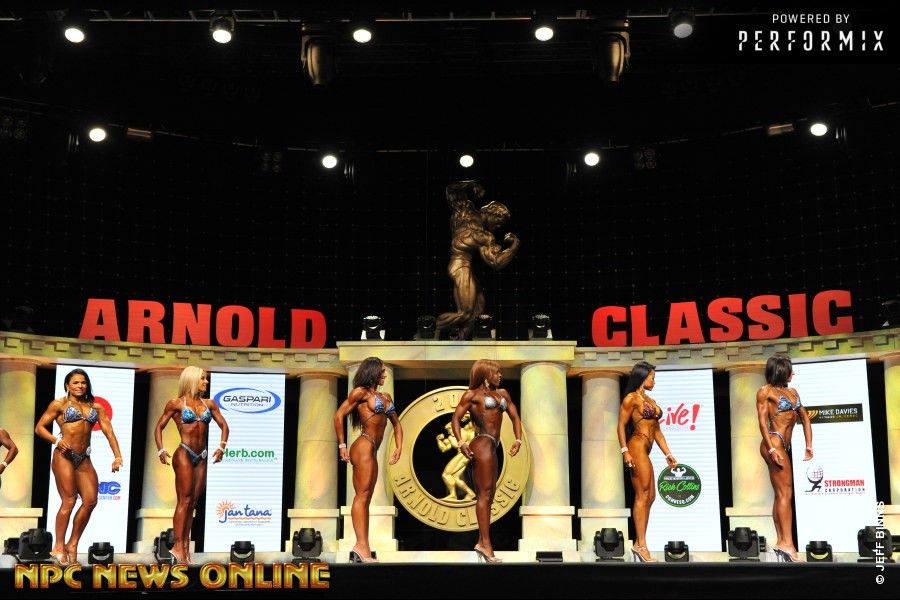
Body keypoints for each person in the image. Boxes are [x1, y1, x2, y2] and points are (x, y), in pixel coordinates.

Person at [35, 368, 123, 565]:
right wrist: (56, 441)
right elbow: (39, 428)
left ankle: (72, 543)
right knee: (69, 501)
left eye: (83, 382)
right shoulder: (59, 404)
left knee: (91, 501)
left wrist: (117, 456)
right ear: (67, 385)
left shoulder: (96, 407)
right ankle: (58, 546)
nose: (80, 386)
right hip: (64, 456)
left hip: (84, 458)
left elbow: (109, 432)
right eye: (75, 382)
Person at [154, 366, 229, 565]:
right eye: (202, 379)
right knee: (184, 500)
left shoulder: (209, 404)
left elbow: (224, 426)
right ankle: (177, 546)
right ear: (192, 379)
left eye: (206, 379)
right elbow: (159, 427)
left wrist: (221, 446)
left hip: (201, 455)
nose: (206, 382)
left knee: (193, 502)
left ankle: (186, 548)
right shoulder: (176, 403)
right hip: (184, 453)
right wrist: (161, 449)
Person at [452, 358, 523, 563]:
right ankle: (485, 544)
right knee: (484, 495)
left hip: (492, 446)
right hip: (482, 443)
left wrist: (518, 439)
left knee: (489, 496)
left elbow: (515, 416)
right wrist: (461, 442)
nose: (500, 375)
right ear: (485, 375)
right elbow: (455, 419)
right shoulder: (472, 395)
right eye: (496, 372)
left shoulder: (503, 394)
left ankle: (483, 542)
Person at [334, 356, 402, 563]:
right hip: (363, 446)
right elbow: (338, 415)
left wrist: (399, 447)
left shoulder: (386, 396)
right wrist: (342, 445)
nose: (385, 374)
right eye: (382, 371)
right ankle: (361, 546)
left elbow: (396, 424)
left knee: (366, 498)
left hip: (372, 449)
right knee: (362, 497)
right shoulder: (360, 393)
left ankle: (363, 547)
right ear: (372, 372)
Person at [435, 181, 520, 340]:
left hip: (465, 266)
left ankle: (459, 338)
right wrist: (471, 184)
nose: (499, 226)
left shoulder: (486, 236)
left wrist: (514, 247)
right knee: (465, 313)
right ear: (493, 214)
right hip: (459, 265)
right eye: (499, 222)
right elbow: (451, 190)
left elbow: (496, 262)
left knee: (478, 309)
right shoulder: (466, 212)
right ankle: (428, 329)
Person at [616, 361, 677, 563]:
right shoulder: (631, 399)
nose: (654, 381)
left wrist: (667, 453)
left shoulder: (649, 399)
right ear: (643, 377)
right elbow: (620, 425)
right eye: (652, 377)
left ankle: (639, 543)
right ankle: (641, 545)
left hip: (647, 449)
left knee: (650, 496)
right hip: (636, 447)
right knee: (642, 494)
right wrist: (625, 451)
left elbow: (656, 430)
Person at [757, 354, 812, 562]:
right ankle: (787, 544)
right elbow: (762, 422)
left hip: (782, 445)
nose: (793, 373)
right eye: (790, 369)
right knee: (785, 493)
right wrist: (771, 449)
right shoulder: (765, 392)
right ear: (781, 371)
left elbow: (805, 418)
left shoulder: (793, 392)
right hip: (773, 442)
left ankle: (782, 541)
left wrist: (808, 445)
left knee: (781, 493)